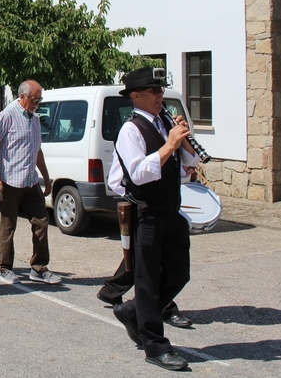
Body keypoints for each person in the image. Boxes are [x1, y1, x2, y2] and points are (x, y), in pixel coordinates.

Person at [107, 67, 199, 371]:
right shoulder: (130, 130)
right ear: (137, 96)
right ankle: (155, 347)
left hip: (172, 212)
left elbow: (191, 162)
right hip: (146, 215)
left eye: (161, 90)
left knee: (178, 274)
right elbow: (138, 173)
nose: (161, 96)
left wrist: (183, 141)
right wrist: (170, 144)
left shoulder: (164, 124)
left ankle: (133, 311)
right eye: (154, 91)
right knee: (146, 283)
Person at [0, 80, 61, 286]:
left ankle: (39, 267)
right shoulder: (7, 115)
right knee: (8, 225)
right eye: (34, 99)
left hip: (29, 180)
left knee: (41, 221)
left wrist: (45, 176)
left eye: (39, 100)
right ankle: (5, 268)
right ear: (22, 97)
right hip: (9, 180)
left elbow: (37, 151)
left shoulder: (35, 119)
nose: (37, 103)